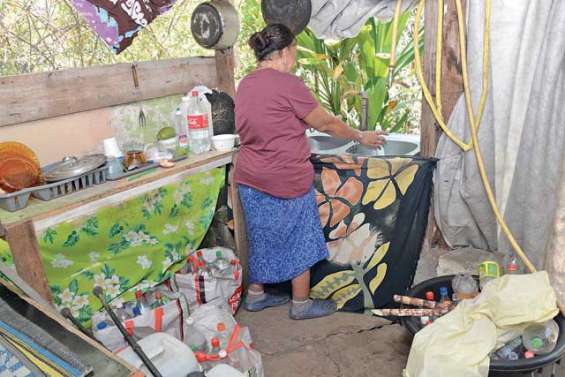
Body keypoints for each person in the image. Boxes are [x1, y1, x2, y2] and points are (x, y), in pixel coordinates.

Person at [235, 24, 386, 320]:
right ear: (286, 51)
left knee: (261, 236)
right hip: (285, 178)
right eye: (294, 52)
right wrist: (360, 136)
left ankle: (255, 295)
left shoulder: (246, 83)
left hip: (250, 177)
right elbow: (326, 124)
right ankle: (301, 304)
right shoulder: (288, 85)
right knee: (300, 237)